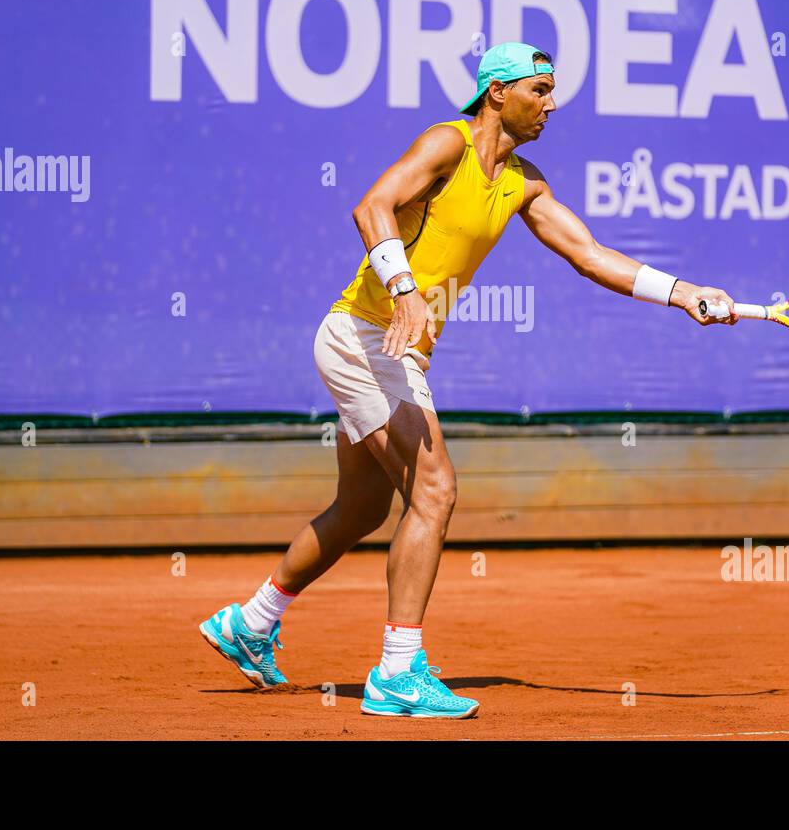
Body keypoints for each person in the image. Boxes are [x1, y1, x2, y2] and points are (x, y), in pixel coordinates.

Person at [200, 42, 737, 718]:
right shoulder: (446, 144)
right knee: (436, 489)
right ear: (497, 93)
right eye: (539, 88)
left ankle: (250, 623)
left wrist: (682, 291)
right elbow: (372, 207)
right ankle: (397, 671)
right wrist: (403, 289)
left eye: (552, 90)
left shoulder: (523, 181)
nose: (552, 102)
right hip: (364, 338)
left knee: (365, 509)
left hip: (399, 353)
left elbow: (590, 253)